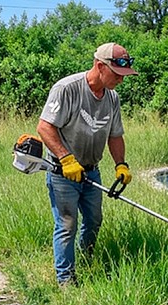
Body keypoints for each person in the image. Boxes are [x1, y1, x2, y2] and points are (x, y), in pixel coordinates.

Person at [36, 42, 137, 287]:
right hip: (64, 172)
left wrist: (121, 165)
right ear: (100, 66)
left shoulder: (112, 98)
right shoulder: (67, 89)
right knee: (67, 224)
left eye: (124, 76)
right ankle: (66, 279)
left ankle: (86, 258)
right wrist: (65, 159)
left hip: (91, 171)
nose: (120, 81)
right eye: (117, 74)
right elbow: (44, 127)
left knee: (94, 220)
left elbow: (114, 135)